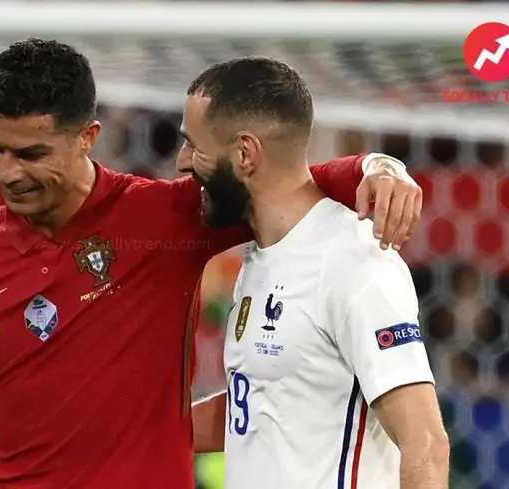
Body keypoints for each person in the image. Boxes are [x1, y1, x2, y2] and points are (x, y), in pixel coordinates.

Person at [0, 39, 423, 489]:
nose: (7, 173)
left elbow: (283, 179)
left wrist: (377, 167)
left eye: (31, 154)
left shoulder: (168, 220)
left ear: (88, 137)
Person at [184, 58, 448, 489]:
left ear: (245, 154)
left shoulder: (354, 261)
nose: (182, 163)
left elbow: (426, 444)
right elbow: (263, 407)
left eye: (193, 147)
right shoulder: (261, 259)